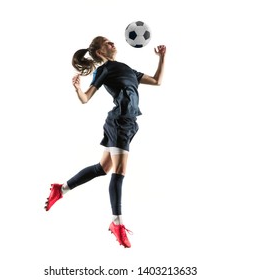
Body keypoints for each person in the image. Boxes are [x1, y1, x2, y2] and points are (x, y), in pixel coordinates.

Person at [44, 36, 166, 248]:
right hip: (118, 122)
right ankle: (116, 222)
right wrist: (77, 89)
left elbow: (157, 81)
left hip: (129, 123)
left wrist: (162, 58)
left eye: (111, 41)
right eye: (107, 43)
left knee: (103, 168)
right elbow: (85, 98)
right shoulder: (104, 70)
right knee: (119, 172)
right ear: (100, 53)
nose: (113, 44)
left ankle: (60, 189)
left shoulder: (126, 68)